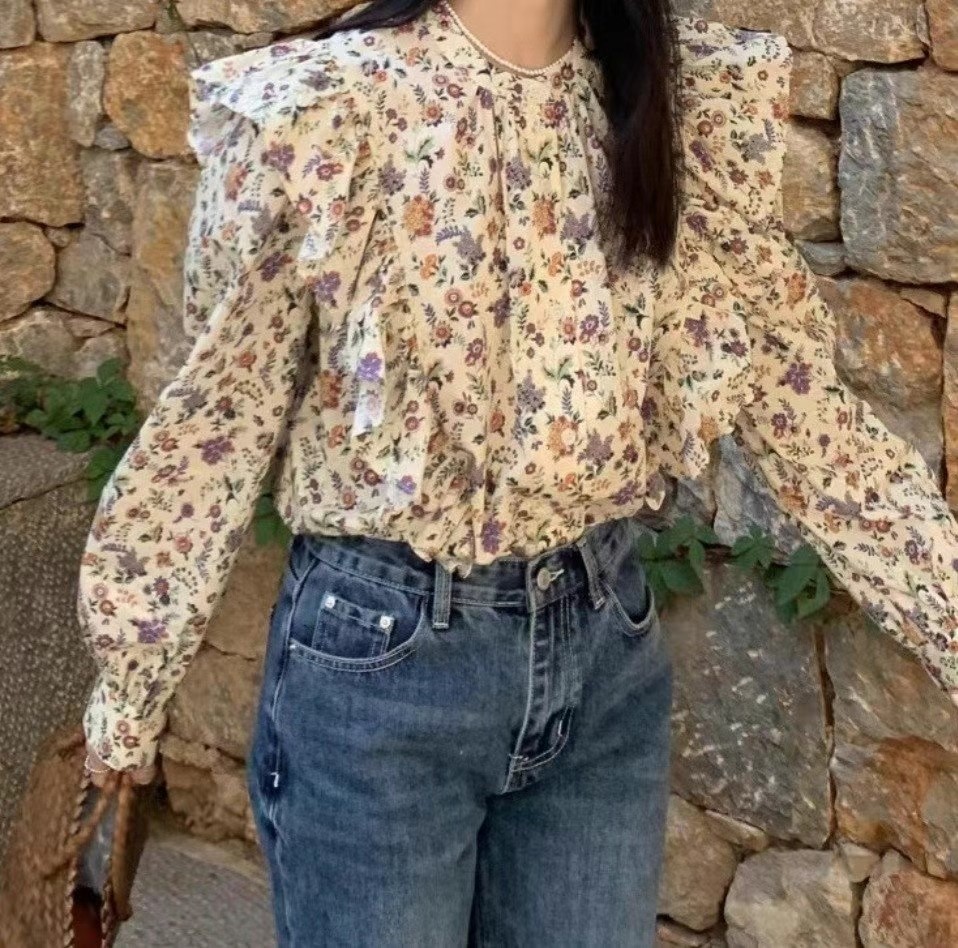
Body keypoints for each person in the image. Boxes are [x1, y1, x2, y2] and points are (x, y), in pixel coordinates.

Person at [77, 0, 958, 944]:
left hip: (604, 652)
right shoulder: (324, 109)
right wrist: (129, 695)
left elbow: (802, 411)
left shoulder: (672, 103)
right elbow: (216, 427)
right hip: (382, 670)